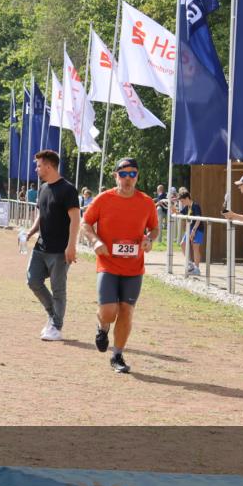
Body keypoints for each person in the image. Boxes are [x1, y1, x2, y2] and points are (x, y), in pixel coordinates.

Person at [81, 158, 159, 374]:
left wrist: (149, 240)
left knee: (126, 311)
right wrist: (95, 241)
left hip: (134, 268)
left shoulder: (146, 202)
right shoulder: (103, 199)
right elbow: (86, 222)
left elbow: (154, 228)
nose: (128, 178)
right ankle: (102, 326)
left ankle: (117, 355)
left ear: (137, 177)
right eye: (123, 174)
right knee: (109, 312)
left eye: (132, 174)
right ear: (115, 176)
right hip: (108, 264)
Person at [23, 149, 79, 342]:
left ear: (48, 166)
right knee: (33, 281)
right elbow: (41, 214)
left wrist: (71, 246)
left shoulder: (68, 189)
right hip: (41, 247)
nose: (36, 169)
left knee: (58, 289)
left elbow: (75, 219)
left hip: (60, 250)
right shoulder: (43, 188)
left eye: (39, 166)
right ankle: (52, 314)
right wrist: (30, 232)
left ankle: (56, 326)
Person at [178, 191, 204, 276]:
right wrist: (173, 208)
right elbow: (180, 213)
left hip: (198, 229)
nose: (182, 203)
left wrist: (194, 230)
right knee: (183, 244)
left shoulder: (195, 205)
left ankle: (197, 269)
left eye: (182, 201)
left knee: (195, 247)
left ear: (187, 198)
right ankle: (190, 264)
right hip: (190, 229)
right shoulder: (187, 207)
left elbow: (198, 219)